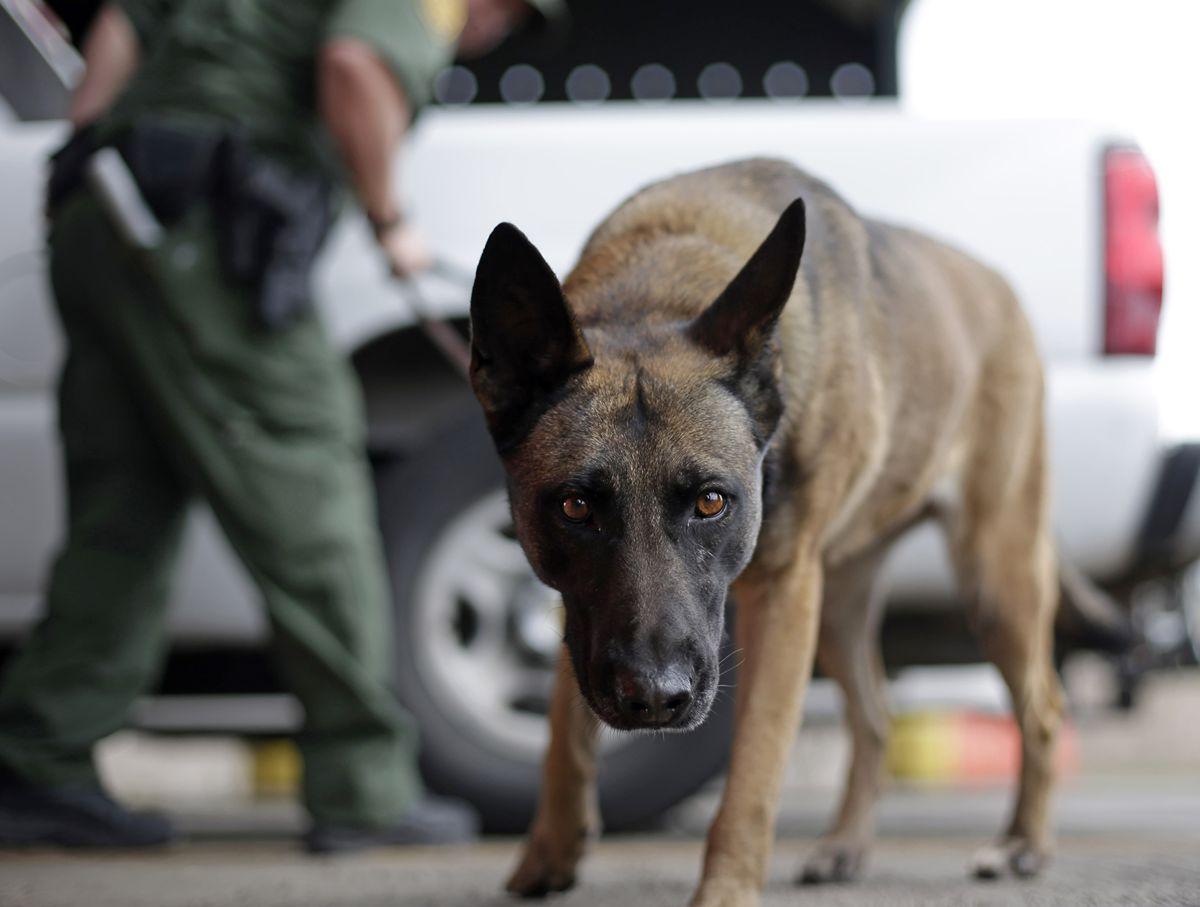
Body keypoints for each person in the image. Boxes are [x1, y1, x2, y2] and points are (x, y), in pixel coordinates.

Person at [0, 0, 554, 852]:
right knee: (313, 503)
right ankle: (362, 786)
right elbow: (353, 68)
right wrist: (389, 221)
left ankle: (42, 758)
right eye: (507, 14)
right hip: (206, 233)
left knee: (124, 513)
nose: (491, 31)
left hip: (102, 214)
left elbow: (121, 27)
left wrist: (91, 147)